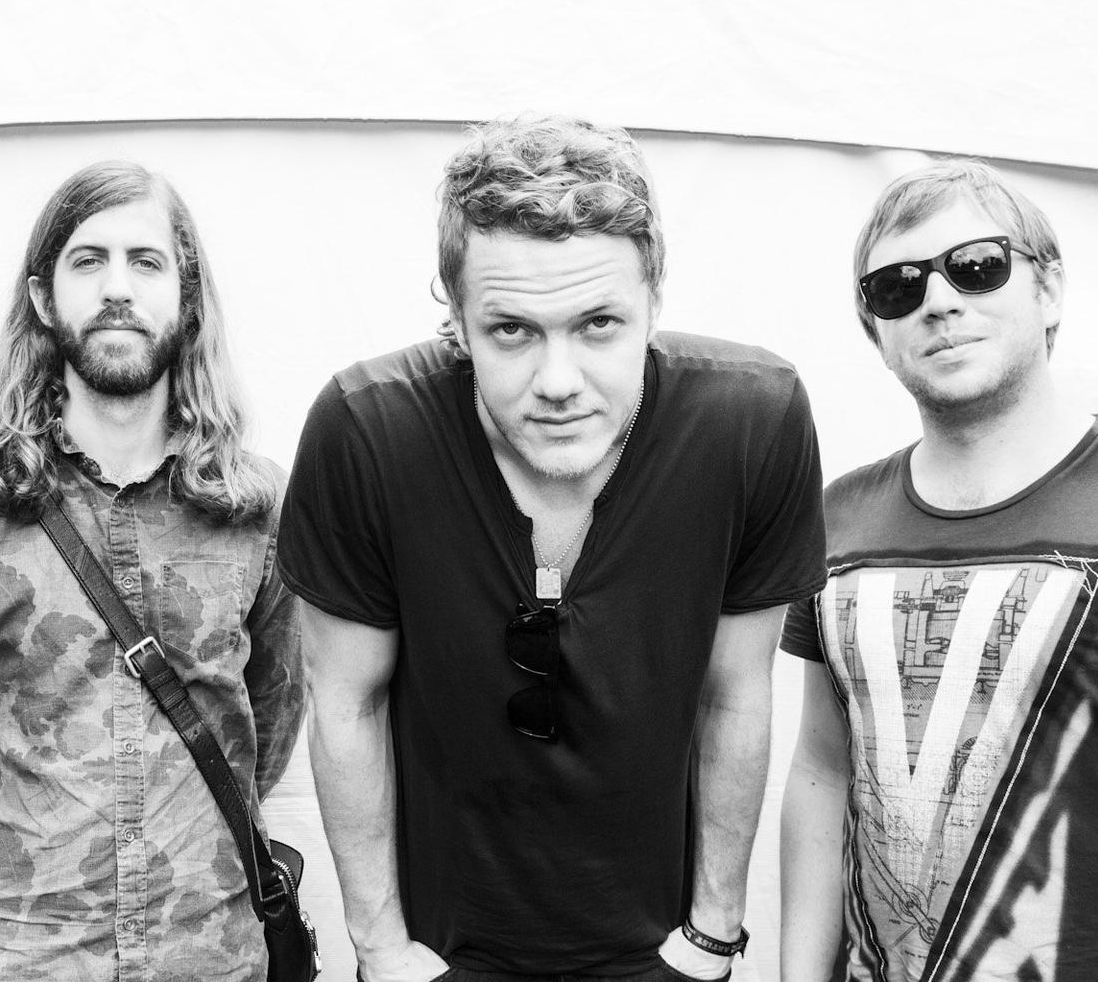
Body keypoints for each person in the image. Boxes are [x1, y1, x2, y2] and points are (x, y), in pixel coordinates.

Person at [279, 114, 827, 981]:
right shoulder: (367, 432)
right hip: (439, 956)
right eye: (512, 330)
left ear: (654, 299)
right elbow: (345, 700)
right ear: (455, 318)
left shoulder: (751, 422)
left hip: (662, 954)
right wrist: (381, 950)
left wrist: (713, 934)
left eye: (599, 323)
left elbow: (737, 692)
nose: (559, 382)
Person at [778, 160, 1098, 981]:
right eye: (897, 287)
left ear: (1050, 290)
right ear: (876, 334)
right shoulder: (836, 520)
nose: (938, 301)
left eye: (977, 265)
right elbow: (821, 773)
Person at [0, 160, 304, 982]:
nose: (118, 287)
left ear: (187, 298)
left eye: (146, 261)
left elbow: (271, 720)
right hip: (21, 960)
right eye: (89, 260)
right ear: (44, 300)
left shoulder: (256, 512)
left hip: (209, 957)